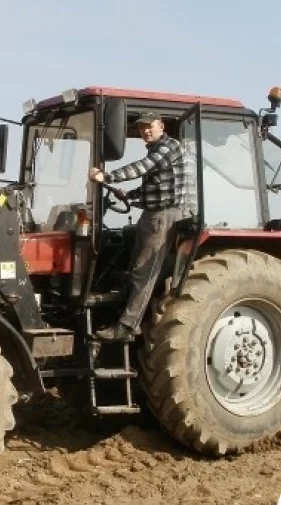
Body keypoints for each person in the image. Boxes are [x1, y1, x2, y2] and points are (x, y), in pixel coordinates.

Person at [88, 111, 192, 341]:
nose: (145, 130)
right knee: (133, 264)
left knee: (144, 271)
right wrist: (129, 195)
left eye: (149, 126)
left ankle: (126, 327)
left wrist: (108, 177)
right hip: (152, 214)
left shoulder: (169, 147)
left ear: (161, 126)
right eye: (141, 127)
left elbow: (142, 167)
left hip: (164, 216)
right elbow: (153, 187)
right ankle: (117, 307)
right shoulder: (157, 150)